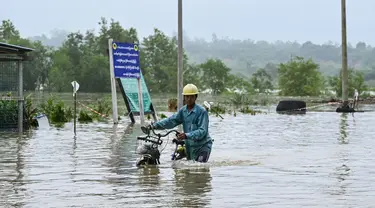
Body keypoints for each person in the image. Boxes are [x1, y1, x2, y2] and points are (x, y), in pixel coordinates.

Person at [146, 83, 213, 163]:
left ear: (196, 97)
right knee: (189, 170)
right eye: (187, 96)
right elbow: (170, 121)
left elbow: (202, 131)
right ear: (184, 97)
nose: (189, 99)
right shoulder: (183, 111)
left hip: (203, 146)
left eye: (192, 96)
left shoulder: (202, 112)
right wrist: (154, 126)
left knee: (200, 168)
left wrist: (186, 135)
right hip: (190, 147)